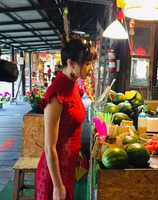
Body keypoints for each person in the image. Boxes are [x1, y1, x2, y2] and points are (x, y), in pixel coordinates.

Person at [36, 35, 97, 200]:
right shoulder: (56, 94)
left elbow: (70, 128)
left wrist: (75, 151)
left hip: (69, 166)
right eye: (87, 63)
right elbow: (49, 147)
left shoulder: (74, 86)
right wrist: (57, 186)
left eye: (91, 63)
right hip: (54, 175)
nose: (91, 68)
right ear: (71, 64)